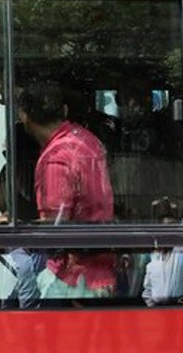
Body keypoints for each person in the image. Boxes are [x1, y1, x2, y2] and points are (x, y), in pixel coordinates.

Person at [17, 80, 116, 298]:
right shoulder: (88, 141)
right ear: (64, 110)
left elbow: (55, 226)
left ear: (24, 116)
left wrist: (15, 226)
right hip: (102, 271)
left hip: (74, 280)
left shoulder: (56, 158)